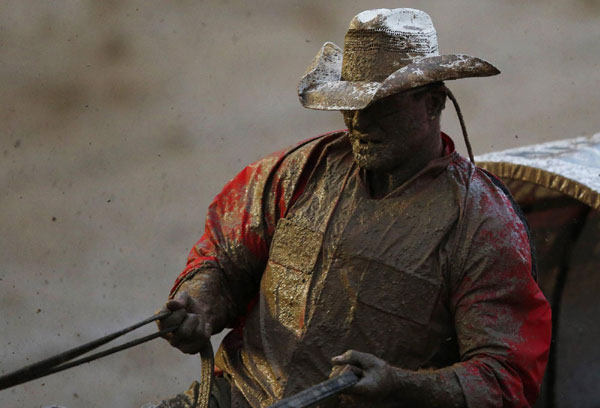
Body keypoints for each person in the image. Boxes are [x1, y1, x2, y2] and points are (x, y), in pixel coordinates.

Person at [157, 8, 552, 408]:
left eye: (380, 105)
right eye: (350, 104)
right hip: (234, 397)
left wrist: (400, 384)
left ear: (432, 104)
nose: (359, 123)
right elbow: (223, 260)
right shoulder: (299, 171)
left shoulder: (481, 222)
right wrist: (198, 306)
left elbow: (504, 378)